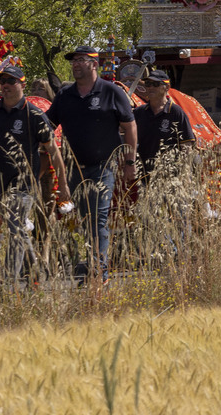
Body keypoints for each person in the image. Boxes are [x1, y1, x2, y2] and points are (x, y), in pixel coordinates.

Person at [46, 45, 137, 284]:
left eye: (81, 60)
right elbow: (46, 125)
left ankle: (100, 275)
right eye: (73, 60)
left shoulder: (111, 92)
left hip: (103, 167)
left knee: (98, 219)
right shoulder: (65, 96)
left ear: (94, 64)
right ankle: (96, 266)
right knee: (86, 223)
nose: (75, 63)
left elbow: (130, 127)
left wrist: (130, 162)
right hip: (74, 169)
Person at [0, 63, 70, 287]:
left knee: (16, 227)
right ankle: (37, 271)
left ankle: (10, 284)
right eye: (2, 81)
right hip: (0, 183)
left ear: (22, 84)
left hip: (25, 184)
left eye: (11, 81)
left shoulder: (34, 115)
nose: (5, 85)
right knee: (16, 228)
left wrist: (63, 185)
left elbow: (54, 154)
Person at [133, 70, 193, 182]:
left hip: (170, 176)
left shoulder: (176, 112)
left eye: (155, 84)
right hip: (144, 176)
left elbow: (186, 145)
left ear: (166, 87)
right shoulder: (139, 112)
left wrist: (185, 173)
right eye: (148, 84)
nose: (150, 87)